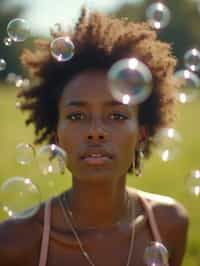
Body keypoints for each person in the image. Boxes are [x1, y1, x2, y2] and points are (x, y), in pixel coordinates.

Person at [0, 7, 189, 266]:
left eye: (117, 116)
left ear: (142, 134)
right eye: (77, 116)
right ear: (56, 135)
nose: (96, 131)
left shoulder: (170, 224)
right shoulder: (14, 241)